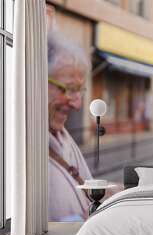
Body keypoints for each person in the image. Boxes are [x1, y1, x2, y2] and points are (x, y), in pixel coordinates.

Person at [48, 32, 92, 222]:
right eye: (69, 89)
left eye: (79, 90)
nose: (77, 105)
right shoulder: (12, 147)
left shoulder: (63, 137)